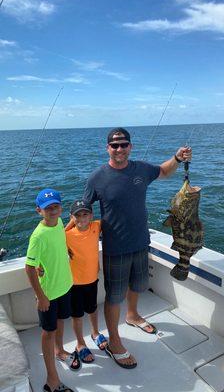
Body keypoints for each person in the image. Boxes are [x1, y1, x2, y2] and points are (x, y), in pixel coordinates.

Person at [83, 127, 192, 369]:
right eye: (114, 145)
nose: (119, 149)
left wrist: (176, 158)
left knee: (139, 285)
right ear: (107, 148)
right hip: (115, 248)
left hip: (142, 243)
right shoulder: (96, 177)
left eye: (124, 144)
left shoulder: (142, 169)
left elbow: (163, 172)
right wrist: (64, 234)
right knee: (114, 297)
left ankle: (132, 315)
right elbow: (82, 209)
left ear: (130, 146)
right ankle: (114, 341)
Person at [25, 188, 77, 392]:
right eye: (48, 208)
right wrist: (41, 296)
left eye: (56, 206)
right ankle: (52, 379)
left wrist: (67, 249)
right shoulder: (38, 236)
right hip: (47, 294)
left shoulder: (60, 223)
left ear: (61, 208)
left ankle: (60, 350)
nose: (53, 210)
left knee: (61, 321)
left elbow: (59, 239)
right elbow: (29, 267)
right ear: (39, 211)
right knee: (48, 331)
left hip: (64, 285)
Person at [65, 200, 107, 364]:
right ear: (71, 217)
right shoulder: (66, 235)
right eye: (77, 215)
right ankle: (80, 343)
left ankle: (95, 333)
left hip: (92, 280)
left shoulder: (96, 226)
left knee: (93, 309)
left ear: (91, 215)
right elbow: (56, 237)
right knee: (77, 316)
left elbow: (113, 216)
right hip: (74, 283)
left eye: (85, 214)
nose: (82, 218)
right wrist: (71, 223)